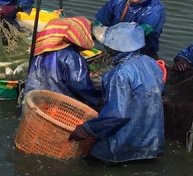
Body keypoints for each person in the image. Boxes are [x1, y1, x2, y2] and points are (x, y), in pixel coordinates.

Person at [69, 23, 166, 163]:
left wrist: (86, 129)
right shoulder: (150, 63)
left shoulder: (120, 74)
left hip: (119, 147)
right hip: (150, 145)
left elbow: (117, 113)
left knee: (88, 163)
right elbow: (160, 91)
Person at [23, 16, 98, 108]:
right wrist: (99, 100)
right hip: (58, 107)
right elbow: (80, 85)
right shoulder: (70, 56)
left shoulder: (38, 52)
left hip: (32, 103)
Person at [93, 0, 166, 59]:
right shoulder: (118, 1)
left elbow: (146, 29)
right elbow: (101, 21)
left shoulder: (155, 8)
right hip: (113, 49)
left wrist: (121, 35)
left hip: (142, 54)